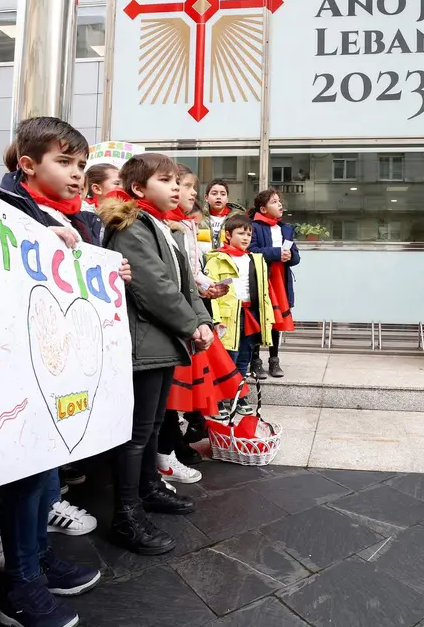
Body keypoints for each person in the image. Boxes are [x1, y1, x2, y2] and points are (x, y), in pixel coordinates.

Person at [0, 117, 110, 627]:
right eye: (64, 162)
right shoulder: (6, 210)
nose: (77, 174)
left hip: (57, 365)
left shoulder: (77, 221)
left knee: (47, 476)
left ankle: (37, 555)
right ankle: (21, 585)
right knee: (26, 477)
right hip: (19, 365)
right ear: (27, 164)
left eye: (82, 165)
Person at [100, 153, 213, 556]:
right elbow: (153, 286)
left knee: (149, 428)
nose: (176, 189)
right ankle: (127, 515)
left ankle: (148, 490)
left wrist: (201, 321)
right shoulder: (132, 226)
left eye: (177, 182)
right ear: (137, 188)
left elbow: (183, 283)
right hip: (144, 341)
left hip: (162, 342)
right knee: (135, 432)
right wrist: (191, 325)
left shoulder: (162, 226)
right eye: (166, 181)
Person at [157, 165, 245, 480]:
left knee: (179, 391)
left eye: (193, 187)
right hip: (175, 318)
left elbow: (191, 271)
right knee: (170, 393)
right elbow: (167, 280)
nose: (193, 193)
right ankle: (166, 454)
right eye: (183, 185)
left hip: (189, 312)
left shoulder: (187, 226)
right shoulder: (163, 226)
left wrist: (206, 287)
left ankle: (173, 447)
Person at [206, 215, 275, 387]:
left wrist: (268, 318)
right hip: (228, 317)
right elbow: (210, 293)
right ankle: (220, 399)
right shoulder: (216, 259)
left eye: (249, 234)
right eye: (241, 233)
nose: (246, 238)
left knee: (245, 358)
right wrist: (215, 320)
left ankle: (239, 397)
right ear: (228, 234)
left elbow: (264, 292)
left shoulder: (256, 259)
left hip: (250, 314)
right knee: (227, 358)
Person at [248, 189, 300, 379]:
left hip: (280, 279)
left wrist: (290, 256)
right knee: (258, 318)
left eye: (280, 202)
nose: (280, 205)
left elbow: (296, 257)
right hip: (261, 279)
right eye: (274, 202)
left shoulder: (285, 228)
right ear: (262, 208)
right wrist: (276, 253)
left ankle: (274, 360)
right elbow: (251, 250)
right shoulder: (254, 226)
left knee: (276, 321)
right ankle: (255, 361)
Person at [200, 178, 243, 251]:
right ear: (206, 198)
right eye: (214, 193)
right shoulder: (199, 217)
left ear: (227, 199)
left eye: (223, 194)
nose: (218, 197)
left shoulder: (238, 218)